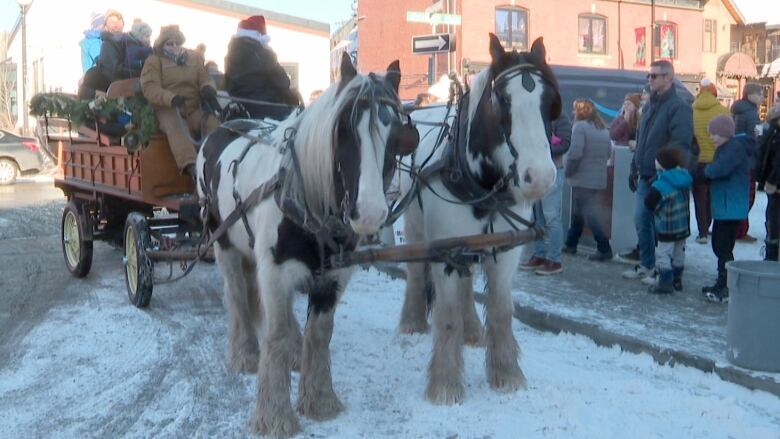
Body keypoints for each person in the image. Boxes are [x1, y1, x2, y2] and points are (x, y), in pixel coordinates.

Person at [623, 60, 693, 282]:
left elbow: (681, 143)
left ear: (668, 78)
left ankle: (663, 270)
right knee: (641, 220)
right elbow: (641, 139)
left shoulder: (678, 107)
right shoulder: (650, 105)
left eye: (654, 76)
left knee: (662, 226)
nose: (650, 79)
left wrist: (663, 169)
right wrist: (634, 165)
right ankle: (647, 264)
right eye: (649, 75)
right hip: (644, 173)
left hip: (663, 177)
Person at [140, 25, 221, 181]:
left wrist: (207, 88)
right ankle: (192, 168)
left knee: (212, 123)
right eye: (170, 43)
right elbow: (149, 87)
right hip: (168, 108)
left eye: (177, 42)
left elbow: (204, 77)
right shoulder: (154, 61)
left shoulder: (193, 58)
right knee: (176, 127)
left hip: (192, 108)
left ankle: (216, 161)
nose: (174, 46)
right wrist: (170, 98)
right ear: (162, 45)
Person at [702, 115, 751, 303]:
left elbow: (718, 170)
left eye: (715, 134)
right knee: (719, 245)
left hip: (730, 206)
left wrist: (705, 171)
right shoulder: (726, 148)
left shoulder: (733, 149)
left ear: (726, 134)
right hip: (726, 206)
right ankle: (722, 281)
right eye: (710, 134)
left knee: (723, 248)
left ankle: (726, 286)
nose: (712, 138)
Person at [561, 99, 613, 261]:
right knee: (580, 212)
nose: (573, 113)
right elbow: (609, 153)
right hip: (597, 179)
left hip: (583, 178)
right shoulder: (602, 129)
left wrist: (568, 171)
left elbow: (575, 154)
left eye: (575, 110)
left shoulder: (580, 127)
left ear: (581, 112)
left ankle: (604, 247)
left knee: (589, 213)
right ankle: (571, 244)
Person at [521, 112, 572, 275]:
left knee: (552, 217)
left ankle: (554, 260)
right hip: (535, 173)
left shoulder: (561, 118)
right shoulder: (535, 117)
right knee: (537, 218)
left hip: (552, 172)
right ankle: (539, 255)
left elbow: (565, 145)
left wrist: (542, 149)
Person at [224, 15, 299, 120]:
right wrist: (293, 99)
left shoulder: (230, 54)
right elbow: (281, 81)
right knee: (294, 124)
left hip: (240, 105)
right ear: (260, 35)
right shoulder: (263, 52)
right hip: (266, 105)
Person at [643, 147, 692, 294]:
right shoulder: (684, 178)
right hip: (683, 226)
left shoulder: (661, 184)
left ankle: (665, 281)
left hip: (667, 226)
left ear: (662, 163)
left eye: (657, 160)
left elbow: (649, 203)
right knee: (679, 252)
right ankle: (677, 279)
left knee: (663, 254)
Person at [691, 78, 729, 244]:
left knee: (700, 197)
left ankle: (702, 232)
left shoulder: (692, 110)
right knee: (713, 196)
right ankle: (709, 225)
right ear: (715, 93)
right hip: (717, 160)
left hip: (697, 161)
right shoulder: (723, 111)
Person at [732, 83, 763, 242]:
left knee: (742, 194)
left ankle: (738, 228)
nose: (762, 98)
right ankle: (740, 230)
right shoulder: (750, 113)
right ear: (750, 95)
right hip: (747, 159)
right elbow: (753, 138)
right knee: (747, 195)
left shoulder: (738, 110)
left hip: (738, 157)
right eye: (760, 94)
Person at [757, 102, 780, 261]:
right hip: (773, 182)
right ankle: (772, 254)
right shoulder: (773, 130)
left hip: (775, 183)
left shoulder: (773, 131)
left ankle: (772, 256)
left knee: (774, 217)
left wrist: (773, 181)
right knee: (772, 217)